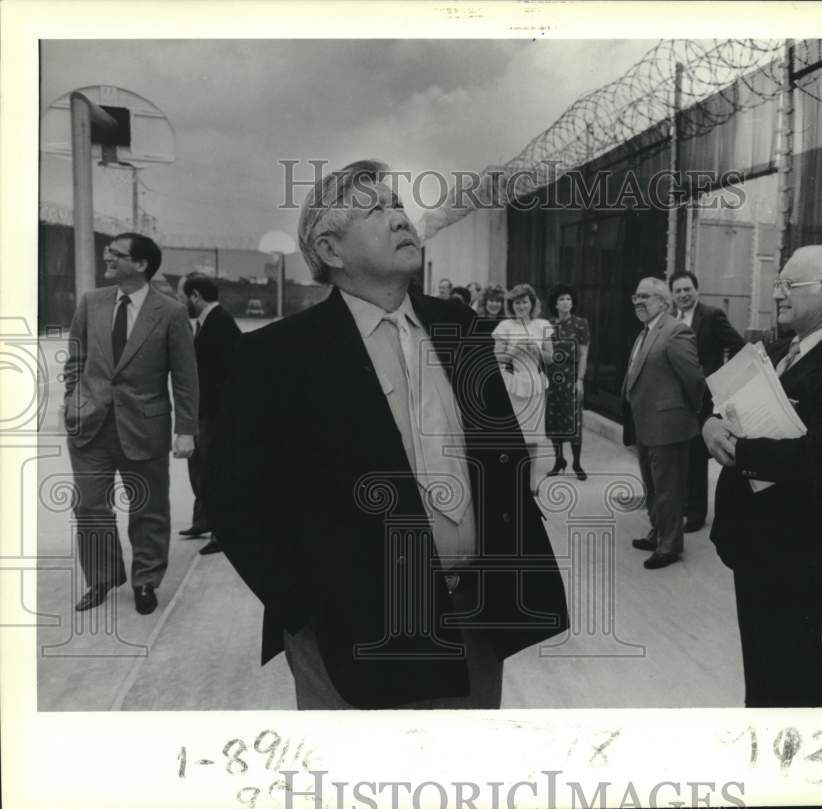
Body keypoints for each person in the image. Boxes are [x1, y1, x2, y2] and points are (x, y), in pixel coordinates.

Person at [207, 160, 568, 709]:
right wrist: (305, 607)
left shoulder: (459, 326)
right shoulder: (276, 356)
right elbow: (234, 500)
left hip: (470, 618)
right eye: (376, 210)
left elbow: (501, 450)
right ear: (331, 250)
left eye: (398, 204)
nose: (400, 218)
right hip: (351, 639)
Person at [702, 245, 822, 707]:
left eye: (788, 285)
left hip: (797, 550)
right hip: (753, 542)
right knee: (760, 668)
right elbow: (721, 405)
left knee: (795, 673)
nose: (777, 293)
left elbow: (821, 456)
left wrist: (738, 450)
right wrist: (710, 425)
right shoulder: (776, 350)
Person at [63, 233, 198, 615]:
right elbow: (76, 358)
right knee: (90, 507)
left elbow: (185, 377)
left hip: (145, 428)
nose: (107, 257)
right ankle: (103, 577)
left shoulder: (170, 312)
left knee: (148, 508)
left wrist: (185, 429)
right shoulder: (91, 302)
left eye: (116, 254)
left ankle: (145, 580)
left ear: (140, 264)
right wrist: (73, 401)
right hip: (91, 426)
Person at [621, 277, 706, 570]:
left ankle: (670, 545)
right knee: (653, 486)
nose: (638, 302)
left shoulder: (675, 331)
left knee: (668, 488)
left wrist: (689, 411)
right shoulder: (646, 331)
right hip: (645, 424)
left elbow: (694, 378)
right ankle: (658, 532)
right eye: (636, 297)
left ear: (663, 301)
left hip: (669, 426)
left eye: (645, 296)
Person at [668, 271, 745, 532]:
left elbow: (738, 346)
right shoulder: (671, 320)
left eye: (687, 289)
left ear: (697, 290)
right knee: (680, 455)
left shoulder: (711, 316)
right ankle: (682, 505)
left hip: (703, 399)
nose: (682, 295)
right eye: (677, 291)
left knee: (697, 456)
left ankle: (696, 513)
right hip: (677, 400)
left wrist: (719, 380)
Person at [178, 274, 242, 555]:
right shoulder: (208, 323)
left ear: (195, 296)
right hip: (203, 411)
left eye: (182, 296)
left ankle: (222, 531)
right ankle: (203, 521)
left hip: (214, 413)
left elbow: (230, 373)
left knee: (213, 471)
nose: (181, 302)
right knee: (199, 467)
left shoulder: (221, 323)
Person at [492, 283, 554, 492]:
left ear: (532, 303)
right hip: (513, 384)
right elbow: (496, 357)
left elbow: (551, 357)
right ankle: (511, 478)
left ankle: (531, 479)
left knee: (533, 436)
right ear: (512, 305)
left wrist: (537, 352)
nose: (521, 306)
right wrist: (514, 350)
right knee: (513, 435)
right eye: (517, 303)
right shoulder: (505, 326)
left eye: (524, 302)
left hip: (535, 384)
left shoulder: (542, 325)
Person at [544, 284, 591, 481]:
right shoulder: (548, 325)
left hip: (571, 376)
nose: (566, 302)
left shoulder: (581, 324)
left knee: (574, 420)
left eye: (569, 299)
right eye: (562, 299)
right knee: (555, 419)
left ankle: (577, 462)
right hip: (553, 377)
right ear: (555, 303)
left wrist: (580, 380)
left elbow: (584, 353)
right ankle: (559, 460)